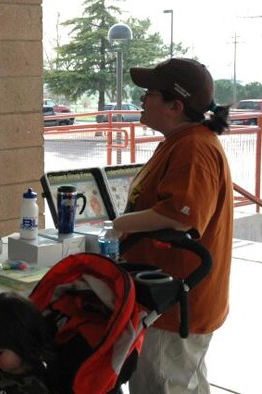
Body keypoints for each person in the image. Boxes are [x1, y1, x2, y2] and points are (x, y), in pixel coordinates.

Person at [113, 58, 233, 393]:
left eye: (149, 93)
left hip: (177, 300)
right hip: (162, 295)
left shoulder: (194, 148)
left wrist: (121, 223)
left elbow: (181, 217)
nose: (141, 99)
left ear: (174, 106)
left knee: (166, 384)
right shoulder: (180, 142)